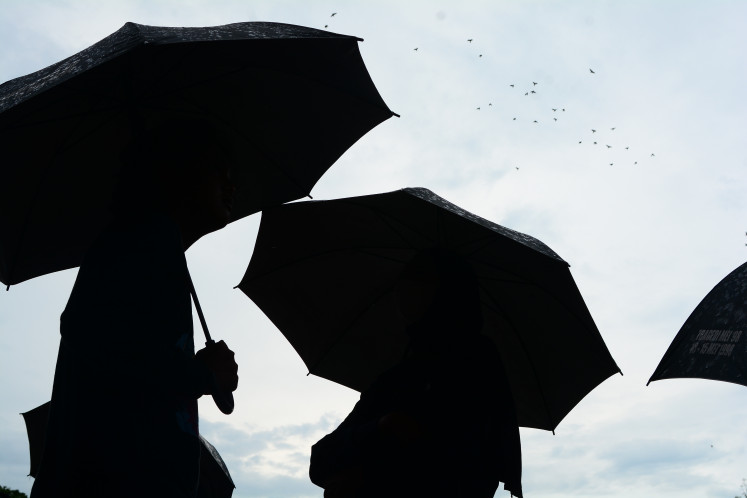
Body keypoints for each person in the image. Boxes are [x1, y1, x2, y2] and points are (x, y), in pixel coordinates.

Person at [31, 119, 240, 498]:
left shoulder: (155, 245)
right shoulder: (145, 241)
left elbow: (133, 352)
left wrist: (201, 372)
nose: (231, 186)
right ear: (181, 175)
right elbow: (104, 345)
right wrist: (204, 375)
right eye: (217, 173)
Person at [309, 249, 523, 498]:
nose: (402, 287)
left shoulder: (477, 363)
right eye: (406, 276)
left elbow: (468, 469)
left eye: (418, 276)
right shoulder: (397, 375)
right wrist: (382, 427)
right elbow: (320, 459)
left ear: (447, 290)